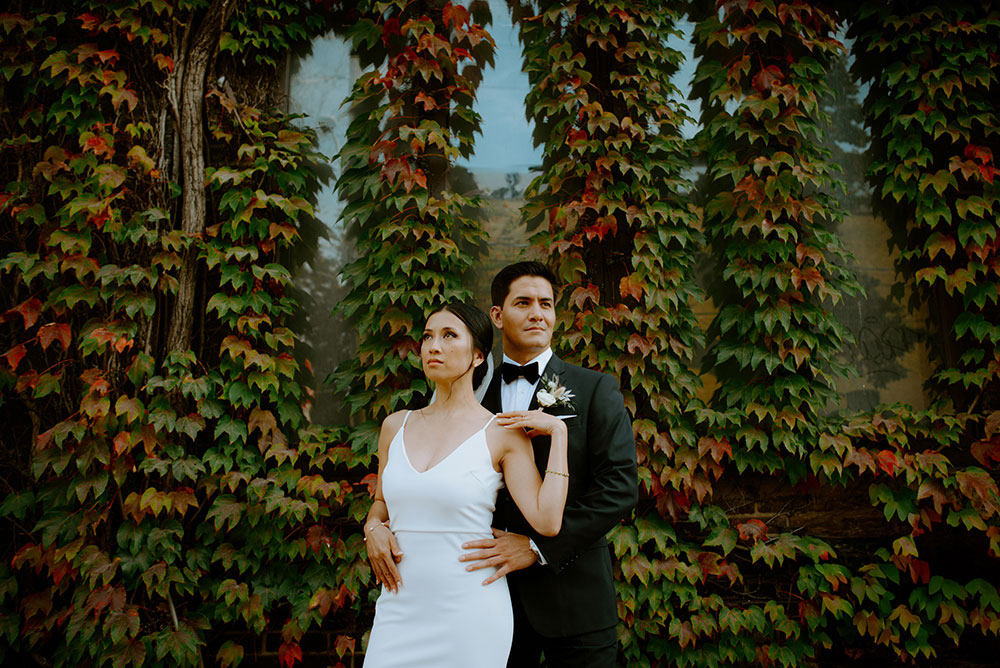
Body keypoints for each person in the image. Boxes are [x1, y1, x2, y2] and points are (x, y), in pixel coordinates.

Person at [362, 302, 571, 667]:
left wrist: (559, 433)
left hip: (470, 612)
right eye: (427, 337)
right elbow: (381, 503)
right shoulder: (395, 426)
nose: (433, 346)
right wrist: (372, 527)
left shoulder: (501, 434)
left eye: (448, 336)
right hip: (398, 606)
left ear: (477, 356)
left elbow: (548, 521)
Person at [461, 261, 638, 667]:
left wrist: (537, 548)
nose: (538, 313)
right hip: (489, 600)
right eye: (523, 303)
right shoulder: (470, 396)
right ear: (497, 315)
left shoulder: (595, 389)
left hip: (575, 602)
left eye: (547, 304)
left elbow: (619, 490)